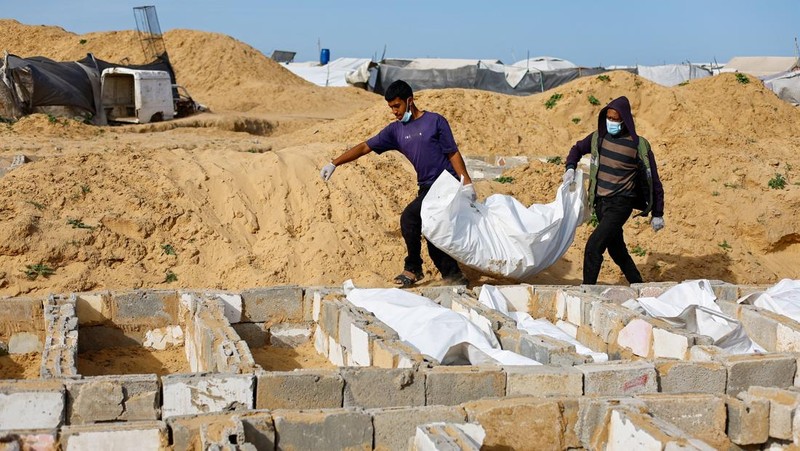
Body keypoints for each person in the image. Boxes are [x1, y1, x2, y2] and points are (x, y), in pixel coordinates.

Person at [320, 80, 474, 287]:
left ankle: (413, 268)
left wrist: (466, 182)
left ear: (409, 101)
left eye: (397, 106)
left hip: (446, 183)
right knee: (431, 233)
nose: (394, 112)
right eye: (391, 107)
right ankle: (455, 278)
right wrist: (334, 163)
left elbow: (452, 152)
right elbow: (366, 146)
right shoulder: (396, 131)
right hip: (426, 188)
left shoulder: (435, 121)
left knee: (410, 217)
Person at [562, 95, 665, 285]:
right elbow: (577, 149)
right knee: (617, 250)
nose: (612, 122)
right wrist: (570, 167)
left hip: (621, 204)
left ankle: (587, 291)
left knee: (593, 247)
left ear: (625, 120)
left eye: (616, 119)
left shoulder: (638, 146)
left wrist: (657, 212)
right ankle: (638, 284)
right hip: (601, 203)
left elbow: (654, 180)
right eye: (609, 118)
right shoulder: (598, 138)